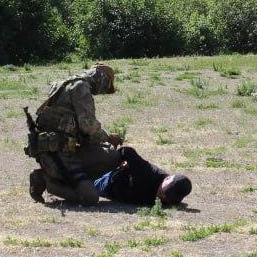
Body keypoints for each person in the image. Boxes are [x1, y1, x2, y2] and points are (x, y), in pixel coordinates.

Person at [27, 64, 123, 205]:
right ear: (101, 78)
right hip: (58, 154)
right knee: (90, 198)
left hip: (60, 150)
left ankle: (73, 181)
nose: (103, 91)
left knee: (113, 156)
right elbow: (88, 125)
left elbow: (78, 128)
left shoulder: (67, 84)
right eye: (106, 85)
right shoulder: (81, 87)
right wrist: (108, 138)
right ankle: (44, 179)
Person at [93, 146, 192, 207]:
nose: (161, 197)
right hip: (108, 182)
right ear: (167, 178)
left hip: (118, 194)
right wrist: (117, 161)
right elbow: (127, 151)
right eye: (163, 192)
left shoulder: (173, 197)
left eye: (165, 198)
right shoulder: (147, 173)